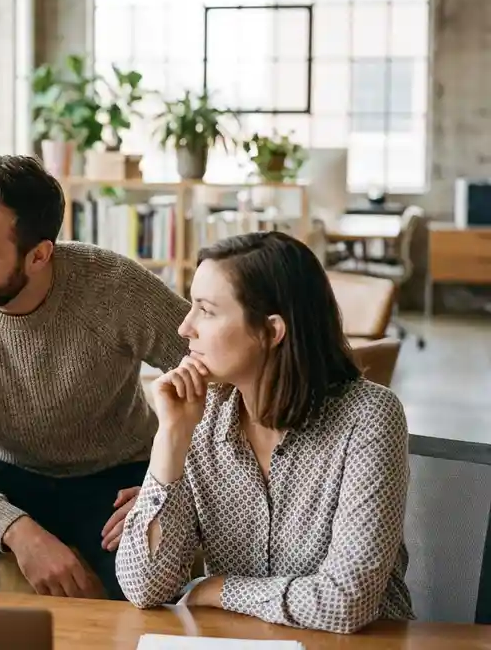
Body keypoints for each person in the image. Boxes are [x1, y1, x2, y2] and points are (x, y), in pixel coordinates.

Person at [0, 155, 191, 600]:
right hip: (2, 468)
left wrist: (169, 484)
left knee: (151, 588)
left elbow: (220, 375)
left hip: (116, 474)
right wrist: (18, 532)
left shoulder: (115, 286)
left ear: (39, 254)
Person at [114, 230, 413, 634]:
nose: (185, 327)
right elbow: (144, 586)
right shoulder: (201, 417)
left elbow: (347, 602)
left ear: (271, 331)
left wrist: (218, 589)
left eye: (206, 310)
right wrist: (171, 438)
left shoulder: (368, 416)